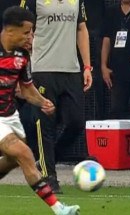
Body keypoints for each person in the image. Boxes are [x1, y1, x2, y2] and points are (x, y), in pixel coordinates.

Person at [0, 6, 80, 215]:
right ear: (10, 31)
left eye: (32, 31)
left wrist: (42, 101)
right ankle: (59, 209)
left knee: (11, 161)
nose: (31, 36)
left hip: (9, 116)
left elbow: (26, 88)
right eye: (27, 32)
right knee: (25, 154)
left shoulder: (22, 55)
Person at [25, 0, 93, 193]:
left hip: (71, 70)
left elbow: (81, 29)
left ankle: (47, 160)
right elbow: (21, 26)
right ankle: (49, 177)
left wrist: (87, 66)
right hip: (43, 69)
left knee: (76, 122)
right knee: (45, 126)